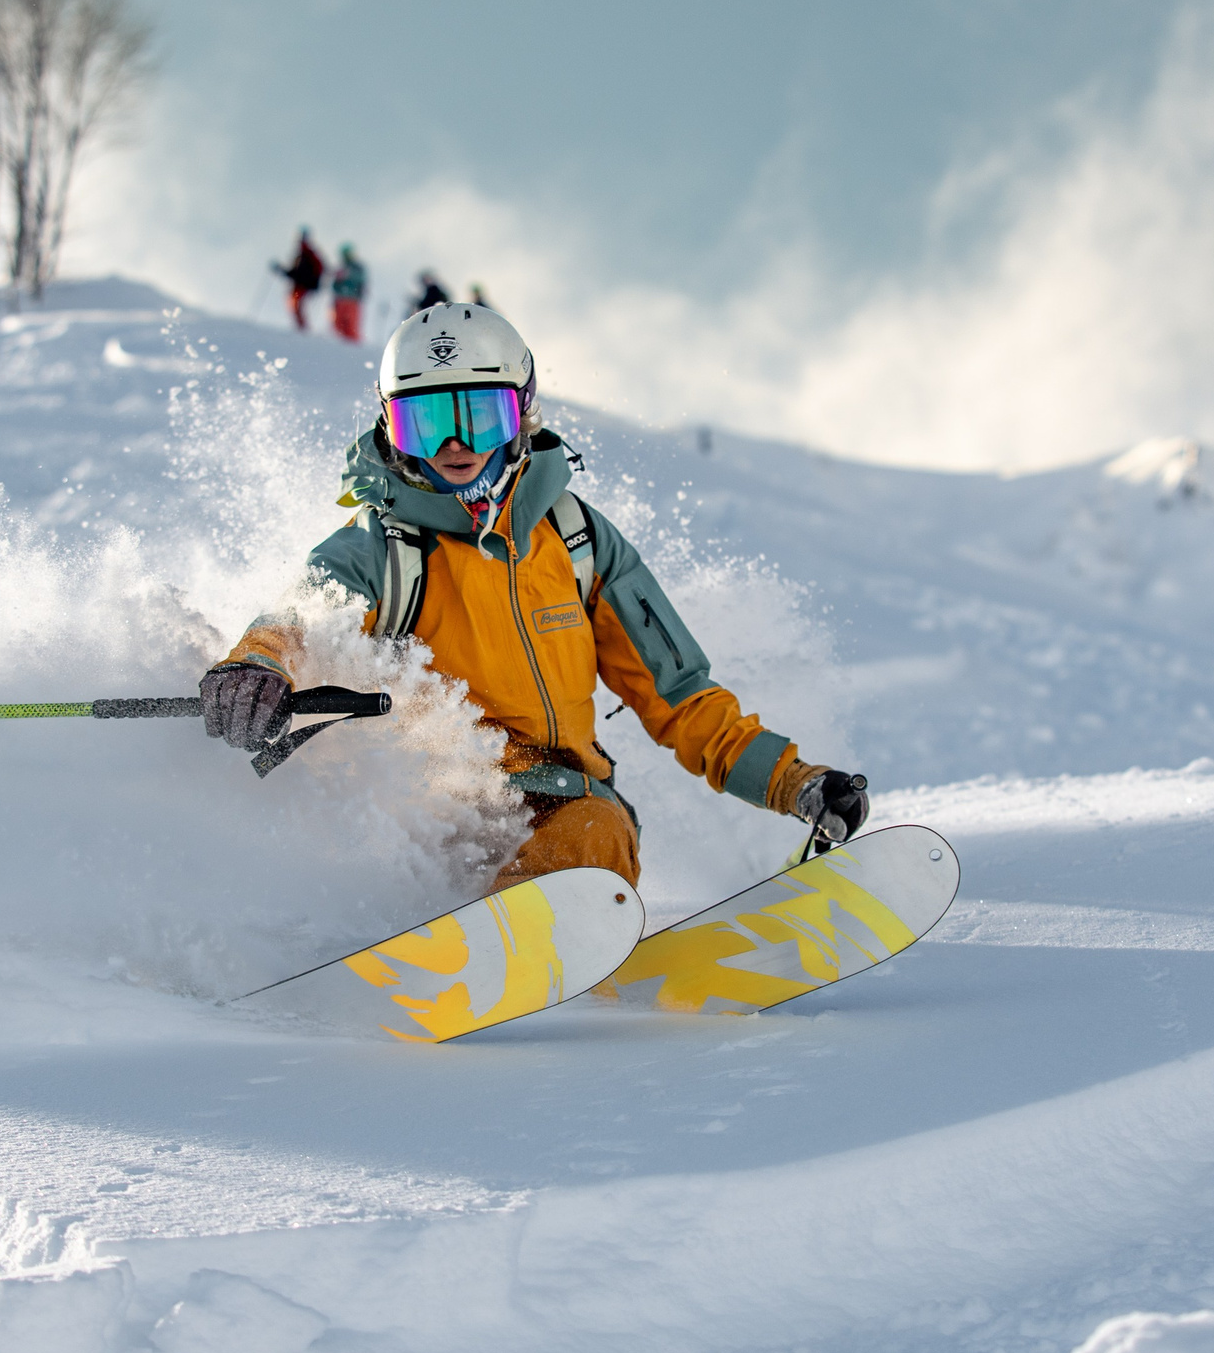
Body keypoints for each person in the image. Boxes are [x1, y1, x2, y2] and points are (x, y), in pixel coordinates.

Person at [198, 303, 867, 894]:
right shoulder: (380, 548)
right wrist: (258, 666)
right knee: (391, 847)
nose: (455, 447)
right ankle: (435, 943)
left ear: (522, 412)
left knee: (596, 833)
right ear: (389, 426)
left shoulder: (574, 540)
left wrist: (793, 782)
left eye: (477, 418)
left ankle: (529, 946)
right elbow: (302, 615)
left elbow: (678, 694)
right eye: (426, 423)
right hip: (425, 816)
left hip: (561, 810)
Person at [272, 229, 326, 331]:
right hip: (300, 286)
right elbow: (294, 273)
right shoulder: (301, 256)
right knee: (294, 305)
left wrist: (312, 282)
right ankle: (301, 327)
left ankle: (302, 328)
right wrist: (281, 270)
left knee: (296, 305)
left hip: (303, 287)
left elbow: (317, 270)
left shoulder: (309, 255)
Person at [330, 243, 368, 343]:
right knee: (338, 325)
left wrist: (347, 275)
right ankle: (342, 346)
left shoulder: (357, 268)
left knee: (351, 326)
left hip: (352, 301)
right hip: (340, 301)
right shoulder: (341, 268)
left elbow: (361, 280)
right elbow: (334, 285)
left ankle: (353, 347)